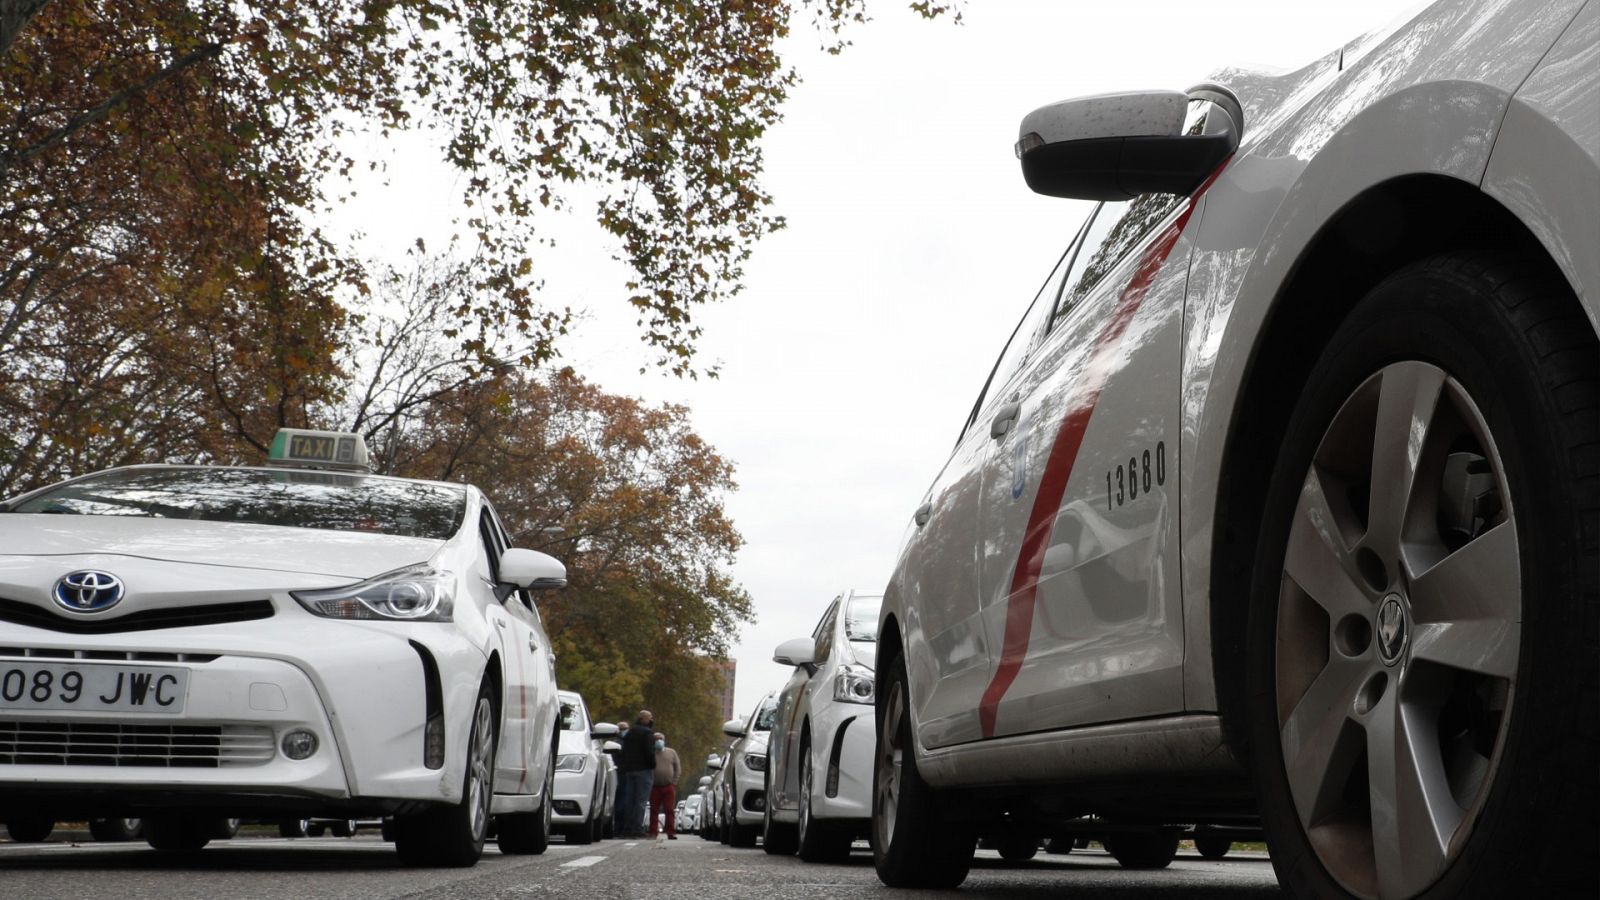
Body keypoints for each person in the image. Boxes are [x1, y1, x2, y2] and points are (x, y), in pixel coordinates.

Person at [616, 710, 657, 837]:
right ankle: (637, 828)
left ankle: (627, 827)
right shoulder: (648, 733)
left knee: (630, 800)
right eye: (650, 718)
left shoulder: (630, 733)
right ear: (645, 719)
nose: (651, 720)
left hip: (630, 770)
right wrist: (652, 765)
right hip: (643, 770)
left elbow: (625, 752)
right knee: (641, 801)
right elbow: (649, 752)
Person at [648, 731, 682, 839]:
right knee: (654, 810)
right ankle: (653, 832)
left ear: (664, 740)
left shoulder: (671, 752)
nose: (658, 741)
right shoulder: (650, 753)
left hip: (668, 786)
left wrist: (674, 782)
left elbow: (678, 768)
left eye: (660, 739)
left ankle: (671, 832)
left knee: (669, 810)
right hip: (654, 786)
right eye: (656, 739)